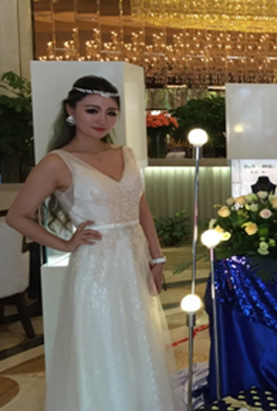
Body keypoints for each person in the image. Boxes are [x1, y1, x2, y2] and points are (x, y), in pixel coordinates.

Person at [6, 75, 178, 410]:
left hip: (134, 261)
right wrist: (65, 244)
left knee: (137, 339)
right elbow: (17, 216)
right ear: (70, 111)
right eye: (92, 110)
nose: (102, 120)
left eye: (111, 112)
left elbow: (142, 209)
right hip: (96, 268)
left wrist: (157, 259)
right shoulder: (57, 162)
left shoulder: (125, 153)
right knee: (103, 342)